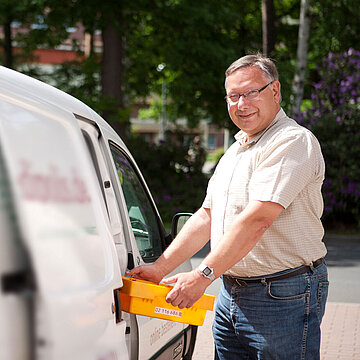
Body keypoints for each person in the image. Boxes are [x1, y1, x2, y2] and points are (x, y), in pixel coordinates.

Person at [128, 53, 328, 359]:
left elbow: (258, 219)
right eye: (233, 96)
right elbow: (208, 215)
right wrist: (159, 268)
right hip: (230, 294)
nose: (241, 103)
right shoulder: (237, 149)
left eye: (250, 93)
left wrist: (200, 276)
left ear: (275, 91)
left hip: (282, 296)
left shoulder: (292, 141)